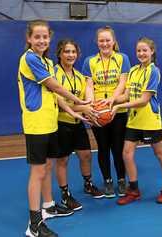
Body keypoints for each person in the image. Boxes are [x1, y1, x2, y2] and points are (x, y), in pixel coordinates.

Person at [18, 20, 88, 237]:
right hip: (36, 124)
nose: (41, 40)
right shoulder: (29, 58)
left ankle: (48, 206)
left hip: (50, 122)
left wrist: (75, 112)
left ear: (49, 38)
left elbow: (55, 95)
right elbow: (56, 86)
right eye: (37, 36)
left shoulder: (46, 61)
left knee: (47, 167)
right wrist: (80, 100)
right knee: (38, 172)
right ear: (29, 38)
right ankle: (34, 225)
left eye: (45, 37)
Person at [111, 37, 162, 205]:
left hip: (149, 119)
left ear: (152, 51)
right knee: (127, 153)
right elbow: (127, 94)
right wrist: (111, 101)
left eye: (145, 50)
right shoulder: (133, 70)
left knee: (159, 153)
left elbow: (144, 100)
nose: (141, 53)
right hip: (133, 119)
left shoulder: (154, 71)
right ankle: (133, 190)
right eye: (139, 50)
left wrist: (119, 107)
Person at [54, 39, 104, 211]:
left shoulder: (79, 76)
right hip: (61, 122)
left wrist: (93, 112)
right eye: (67, 51)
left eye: (73, 52)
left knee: (86, 155)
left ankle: (88, 184)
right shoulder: (54, 74)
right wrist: (83, 107)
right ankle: (65, 194)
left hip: (78, 123)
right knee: (63, 160)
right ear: (60, 53)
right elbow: (59, 102)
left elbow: (85, 102)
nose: (70, 55)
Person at [82, 26, 130, 198]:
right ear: (97, 42)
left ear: (114, 41)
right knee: (103, 148)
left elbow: (123, 83)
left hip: (118, 109)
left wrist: (112, 100)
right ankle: (108, 180)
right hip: (98, 111)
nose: (105, 43)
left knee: (118, 148)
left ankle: (122, 179)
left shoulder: (122, 58)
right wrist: (91, 106)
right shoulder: (89, 61)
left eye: (107, 40)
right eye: (101, 40)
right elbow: (88, 86)